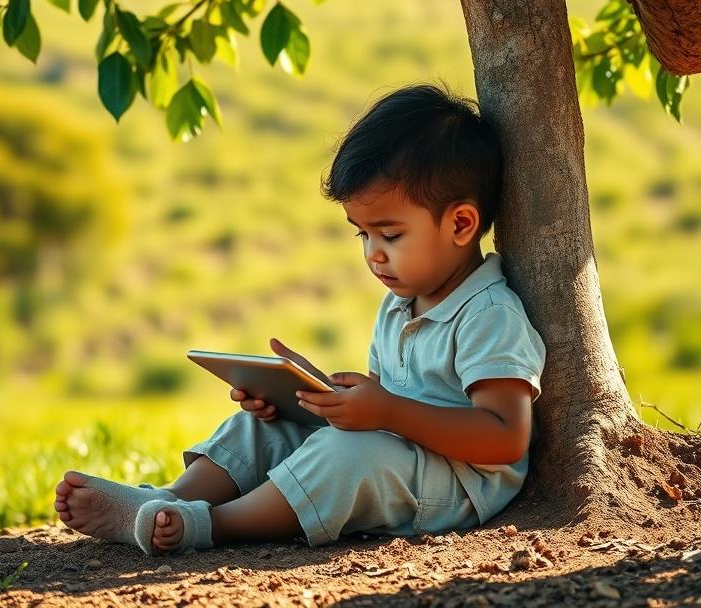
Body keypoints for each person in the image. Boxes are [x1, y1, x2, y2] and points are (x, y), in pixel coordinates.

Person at [53, 84, 547, 556]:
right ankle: (167, 501)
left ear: (460, 223)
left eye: (390, 235)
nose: (373, 254)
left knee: (346, 455)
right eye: (362, 235)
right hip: (399, 456)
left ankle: (211, 524)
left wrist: (388, 413)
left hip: (457, 486)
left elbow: (504, 437)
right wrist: (312, 398)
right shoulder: (398, 306)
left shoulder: (488, 314)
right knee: (261, 428)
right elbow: (383, 406)